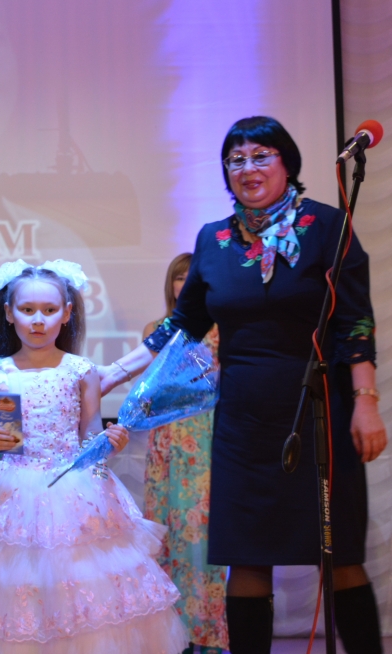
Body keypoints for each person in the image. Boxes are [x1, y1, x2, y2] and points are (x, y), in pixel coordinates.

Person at [102, 117, 388, 654]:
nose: (247, 168)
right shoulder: (213, 240)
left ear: (287, 164)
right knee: (247, 556)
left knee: (341, 554)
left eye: (261, 156)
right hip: (243, 422)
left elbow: (356, 323)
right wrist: (112, 374)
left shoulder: (328, 225)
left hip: (318, 413)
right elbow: (183, 324)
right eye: (236, 159)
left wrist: (366, 401)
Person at [0, 260, 188, 654]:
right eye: (27, 309)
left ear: (66, 314)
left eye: (49, 310)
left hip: (74, 491)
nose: (38, 320)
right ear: (8, 313)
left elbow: (90, 437)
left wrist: (109, 443)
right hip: (12, 494)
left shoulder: (81, 371)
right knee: (19, 585)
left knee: (78, 584)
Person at [142, 253, 227, 654]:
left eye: (191, 277)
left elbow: (215, 383)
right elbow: (152, 388)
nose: (184, 284)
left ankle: (205, 635)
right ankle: (168, 635)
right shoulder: (156, 330)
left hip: (205, 437)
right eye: (179, 277)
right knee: (163, 531)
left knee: (201, 535)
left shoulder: (222, 331)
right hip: (164, 439)